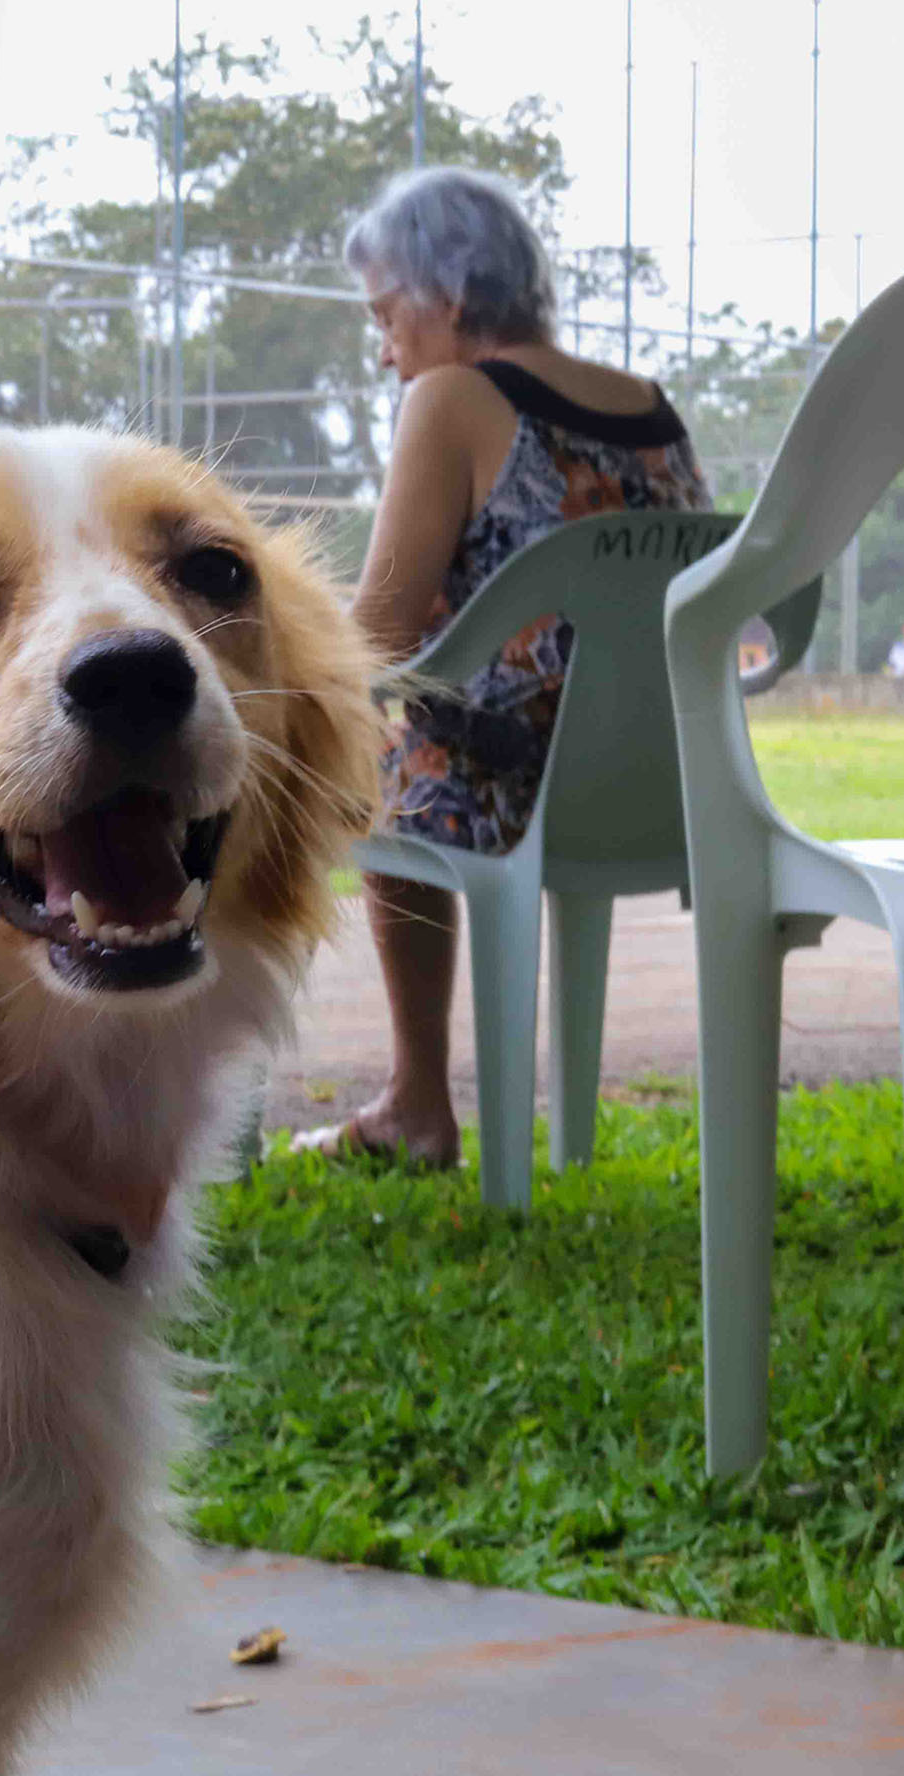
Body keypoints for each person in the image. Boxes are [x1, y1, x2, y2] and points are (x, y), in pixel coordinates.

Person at [296, 167, 708, 1167]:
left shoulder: (452, 399)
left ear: (451, 294)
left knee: (370, 768)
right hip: (672, 783)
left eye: (386, 314)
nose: (384, 348)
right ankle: (424, 1100)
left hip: (514, 788)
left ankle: (417, 1103)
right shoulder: (651, 405)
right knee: (415, 745)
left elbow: (378, 638)